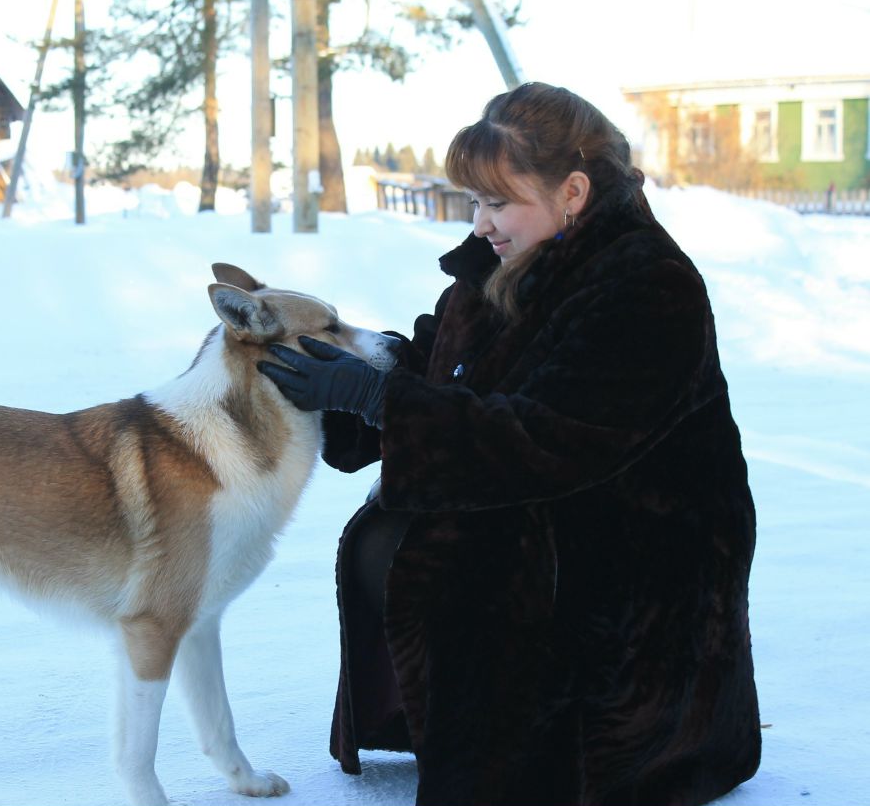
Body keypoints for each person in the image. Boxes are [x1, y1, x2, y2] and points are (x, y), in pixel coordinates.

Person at [258, 82, 761, 806]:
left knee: (471, 556)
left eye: (499, 201)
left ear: (573, 192)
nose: (481, 222)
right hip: (555, 516)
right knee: (414, 539)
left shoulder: (650, 285)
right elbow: (442, 369)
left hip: (637, 564)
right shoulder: (503, 265)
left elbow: (550, 437)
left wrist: (378, 400)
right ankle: (447, 725)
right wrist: (342, 377)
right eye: (474, 200)